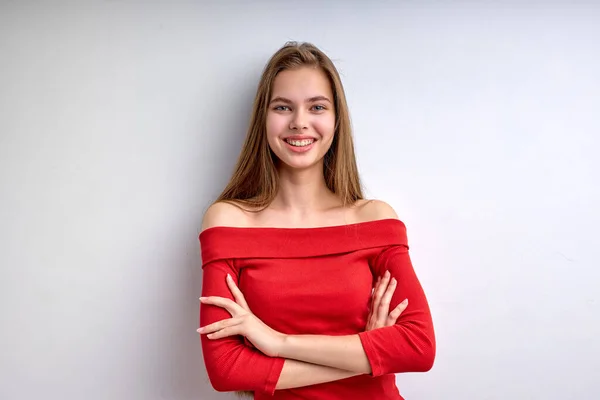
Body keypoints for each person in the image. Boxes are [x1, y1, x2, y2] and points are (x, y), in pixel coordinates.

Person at [196, 41, 435, 399]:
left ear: (336, 119)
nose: (299, 122)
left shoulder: (374, 219)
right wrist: (365, 352)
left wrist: (277, 343)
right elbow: (226, 369)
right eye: (282, 107)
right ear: (264, 117)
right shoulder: (229, 221)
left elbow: (418, 347)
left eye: (317, 107)